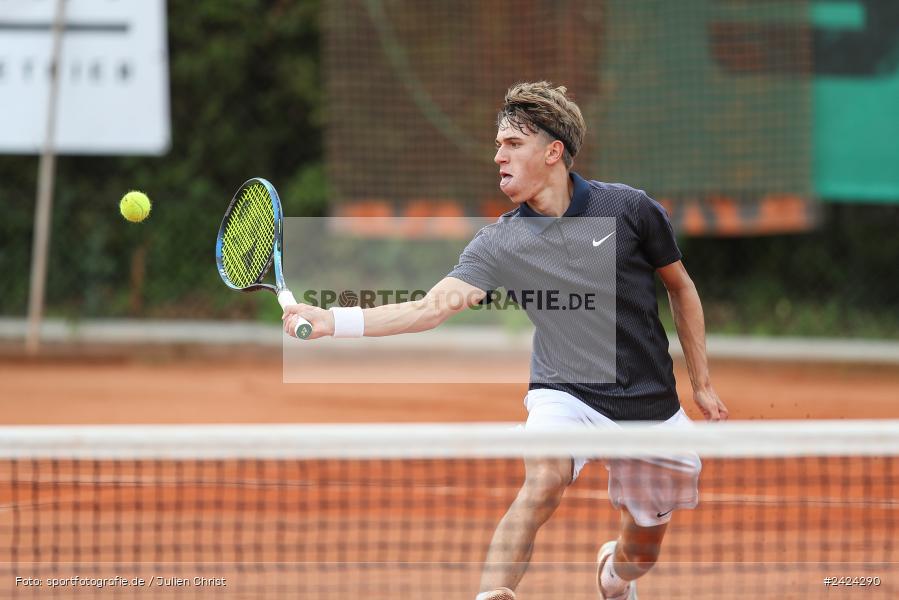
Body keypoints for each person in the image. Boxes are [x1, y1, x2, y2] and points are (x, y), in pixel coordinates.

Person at [282, 81, 728, 599]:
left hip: (649, 405)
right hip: (564, 393)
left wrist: (702, 383)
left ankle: (612, 574)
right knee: (541, 484)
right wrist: (334, 320)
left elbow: (680, 286)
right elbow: (429, 309)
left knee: (640, 555)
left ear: (553, 151)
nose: (498, 156)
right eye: (497, 145)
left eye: (512, 144)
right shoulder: (500, 242)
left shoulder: (630, 210)